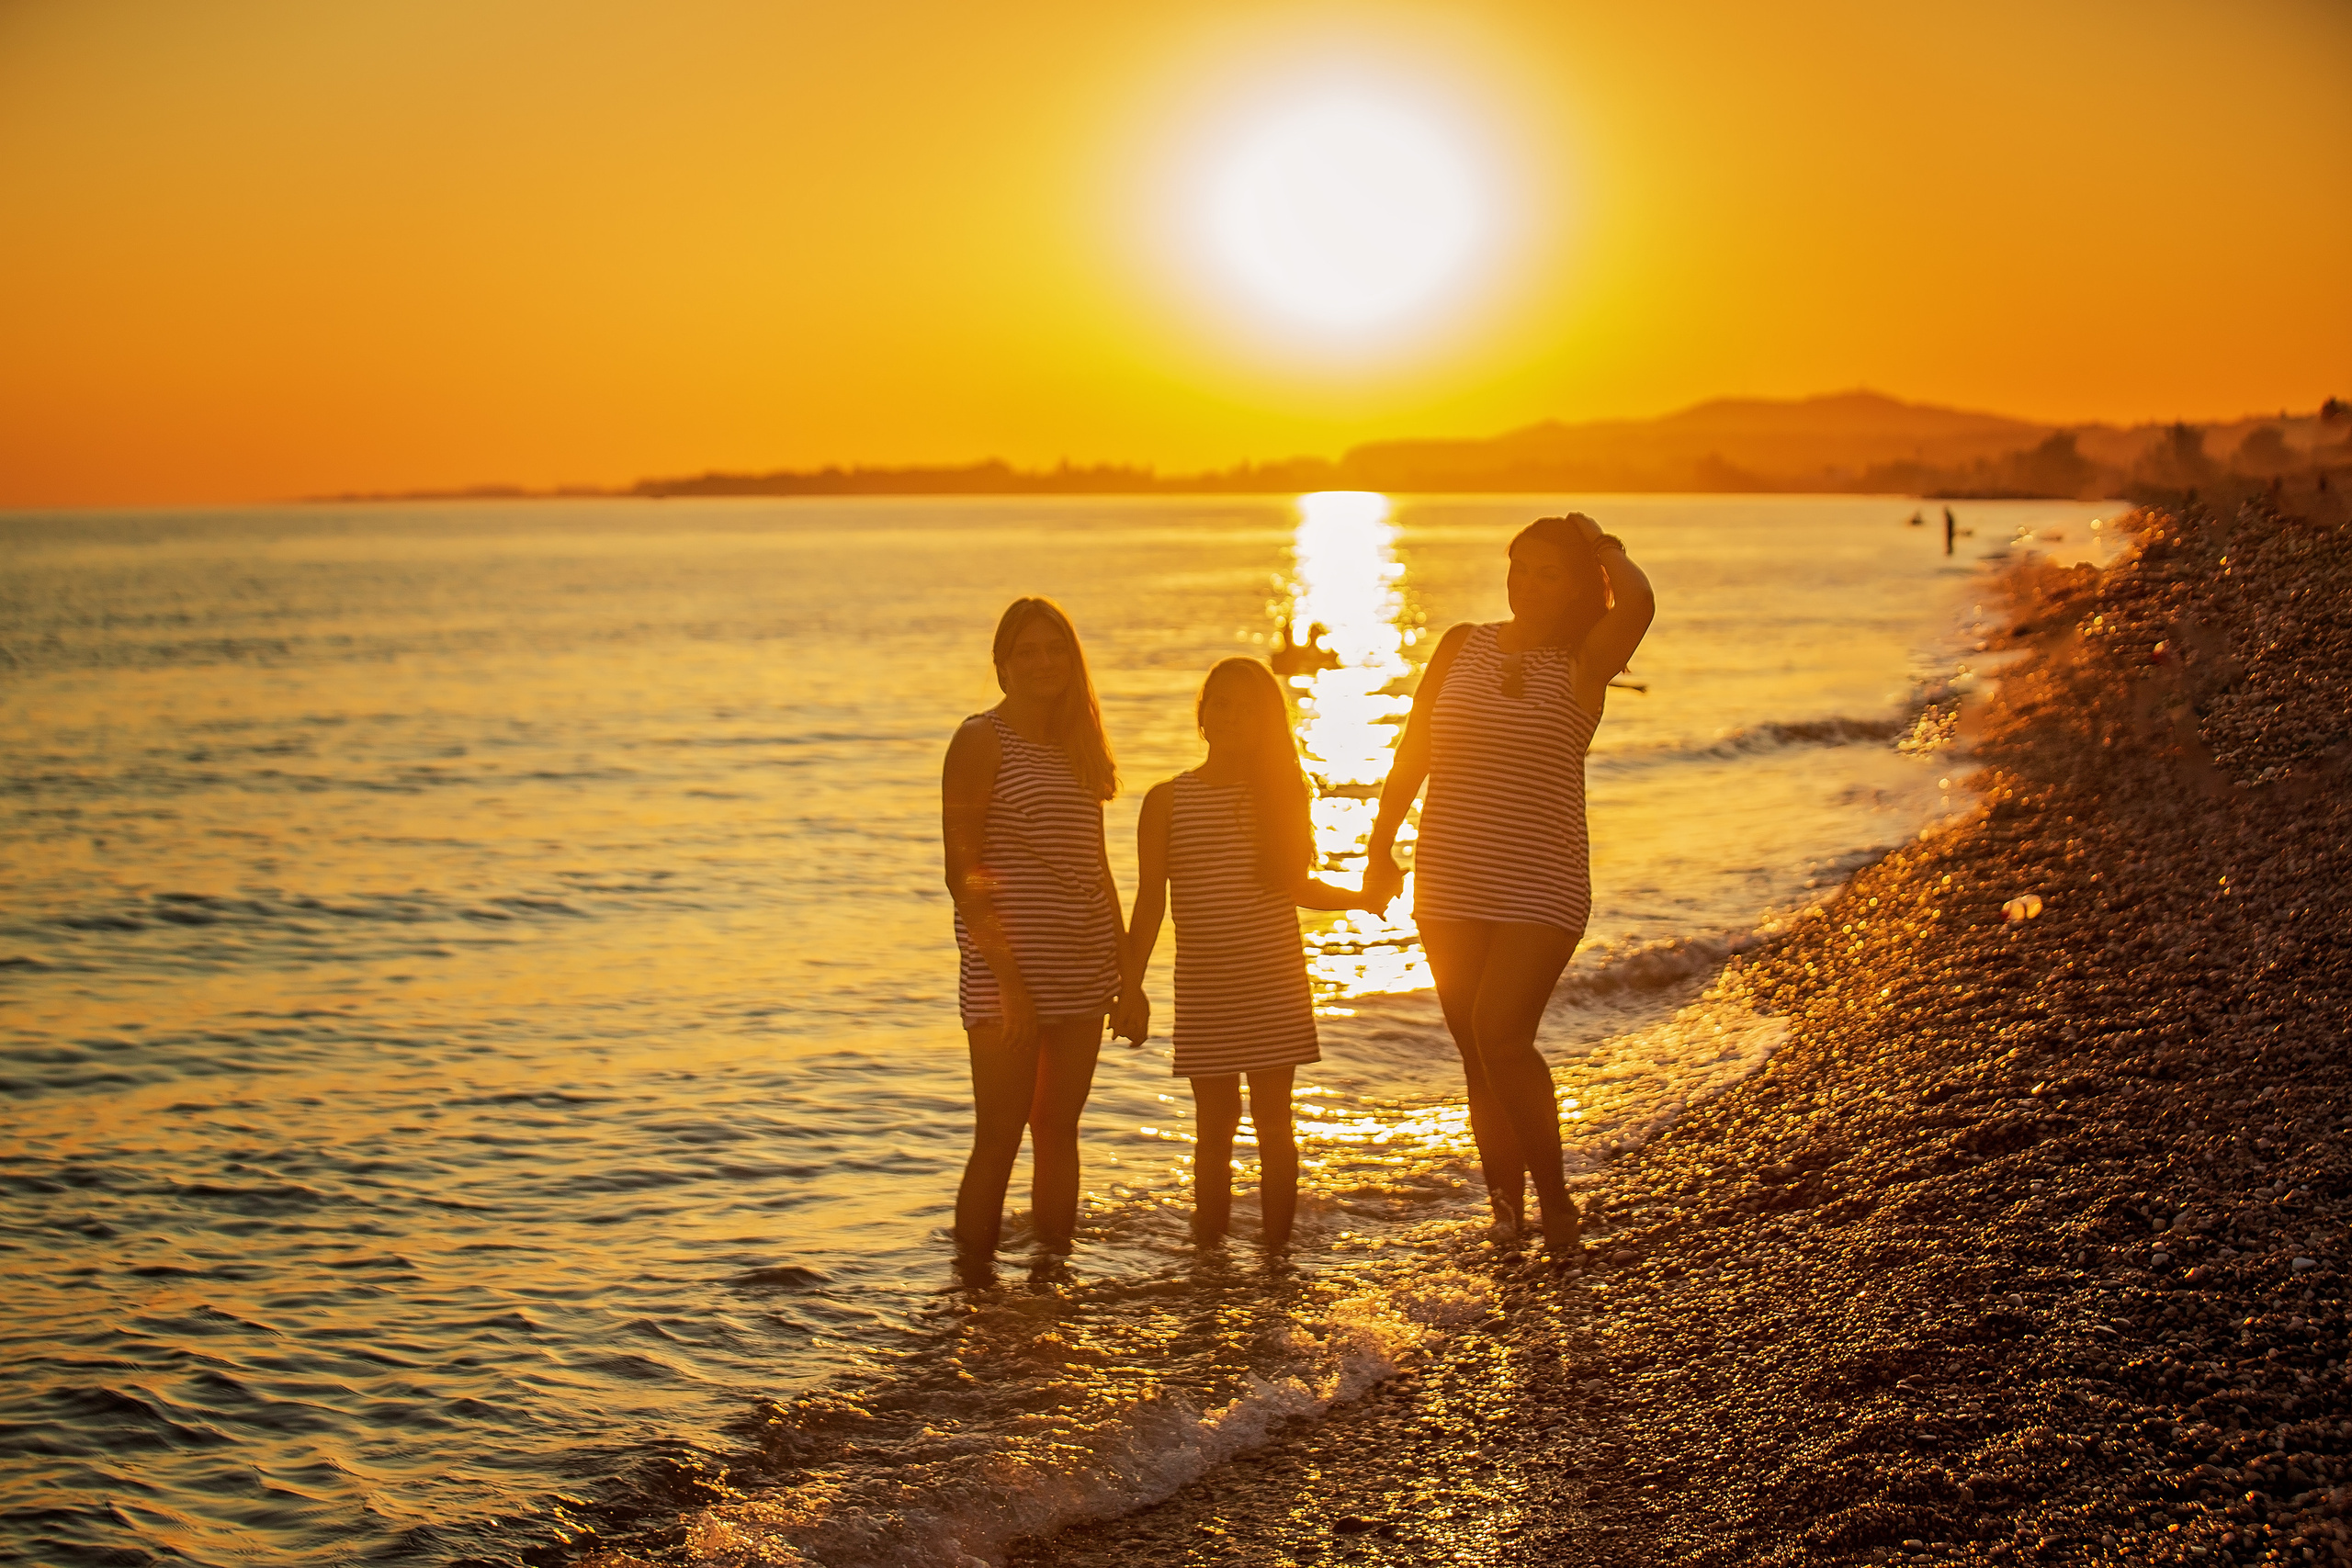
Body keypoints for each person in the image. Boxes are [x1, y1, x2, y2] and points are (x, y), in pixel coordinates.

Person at [1363, 514, 1655, 1258]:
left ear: (1578, 586)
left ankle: (1556, 1205)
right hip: (1451, 874)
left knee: (1502, 1034)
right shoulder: (1462, 644)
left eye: (1546, 572)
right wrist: (1379, 844)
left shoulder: (1588, 659)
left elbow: (1641, 602)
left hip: (1542, 879)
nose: (1525, 583)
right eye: (1518, 566)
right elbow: (1414, 745)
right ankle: (1505, 1216)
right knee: (1478, 1053)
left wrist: (1604, 543)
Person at [1116, 658, 1377, 1248]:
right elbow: (1149, 901)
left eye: (1248, 709)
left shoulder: (1279, 793)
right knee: (1213, 1130)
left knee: (1274, 1126)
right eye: (1221, 704)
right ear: (1202, 714)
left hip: (1273, 978)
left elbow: (1296, 885)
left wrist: (1359, 898)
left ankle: (1276, 1259)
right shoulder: (1166, 801)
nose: (1232, 717)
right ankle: (1209, 1258)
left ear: (1268, 722)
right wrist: (1129, 987)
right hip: (1206, 986)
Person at [941, 597, 1136, 1280]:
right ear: (1002, 666)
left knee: (1058, 1133)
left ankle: (1053, 1283)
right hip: (1007, 973)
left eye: (1055, 649)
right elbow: (963, 873)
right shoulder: (981, 739)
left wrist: (1129, 977)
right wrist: (1009, 981)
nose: (1043, 662)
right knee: (997, 1138)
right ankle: (971, 1299)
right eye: (1027, 651)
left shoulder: (1078, 746)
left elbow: (1096, 866)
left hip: (1082, 968)